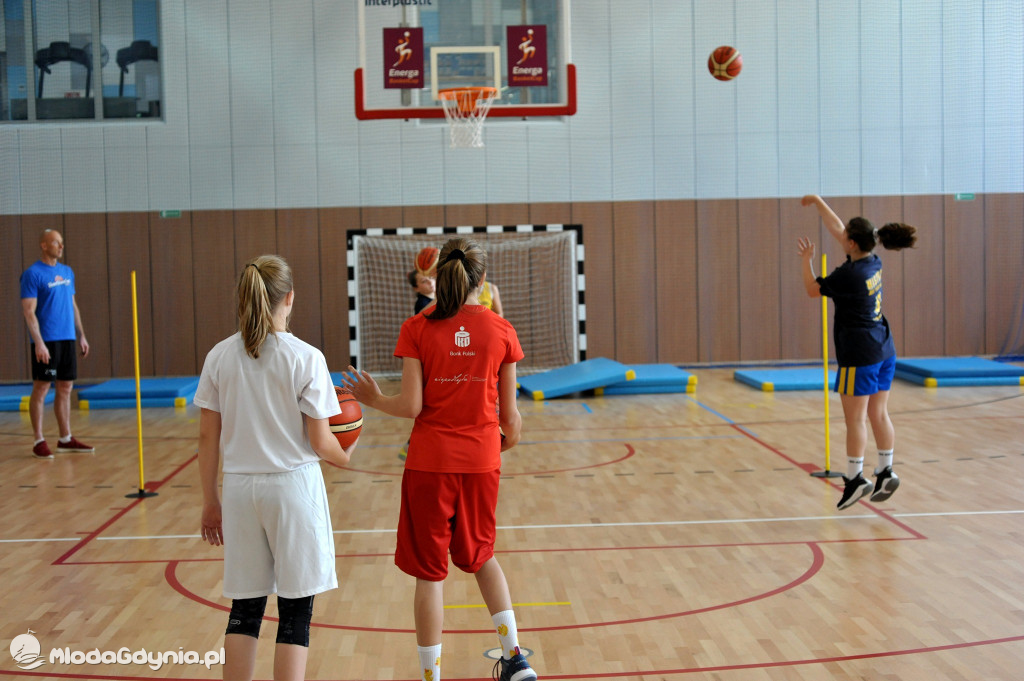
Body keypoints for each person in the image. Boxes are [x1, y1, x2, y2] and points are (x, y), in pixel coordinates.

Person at [343, 237, 535, 681]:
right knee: (482, 557)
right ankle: (515, 658)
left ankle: (431, 677)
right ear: (482, 280)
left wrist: (374, 398)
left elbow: (412, 405)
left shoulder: (417, 327)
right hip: (481, 462)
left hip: (429, 464)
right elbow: (511, 420)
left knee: (430, 574)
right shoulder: (501, 330)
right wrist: (495, 445)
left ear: (439, 275)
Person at [194, 255, 357, 681]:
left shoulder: (219, 356)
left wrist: (210, 501)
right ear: (289, 298)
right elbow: (322, 442)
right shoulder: (306, 357)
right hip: (292, 489)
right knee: (295, 612)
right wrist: (348, 456)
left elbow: (207, 438)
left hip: (239, 491)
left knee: (245, 609)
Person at [798, 195, 917, 510]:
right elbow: (838, 228)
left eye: (845, 236)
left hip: (859, 355)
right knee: (879, 413)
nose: (841, 236)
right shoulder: (871, 260)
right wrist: (818, 202)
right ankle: (886, 470)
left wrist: (806, 260)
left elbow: (811, 290)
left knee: (855, 420)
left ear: (852, 243)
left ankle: (855, 479)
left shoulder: (849, 275)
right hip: (883, 348)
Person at [20, 228, 93, 459]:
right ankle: (38, 440)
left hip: (67, 339)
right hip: (47, 342)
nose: (61, 246)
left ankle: (65, 438)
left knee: (65, 387)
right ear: (44, 245)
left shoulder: (67, 271)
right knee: (42, 388)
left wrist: (81, 335)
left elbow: (73, 305)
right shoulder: (32, 274)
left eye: (61, 242)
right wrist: (39, 343)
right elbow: (29, 312)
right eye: (55, 242)